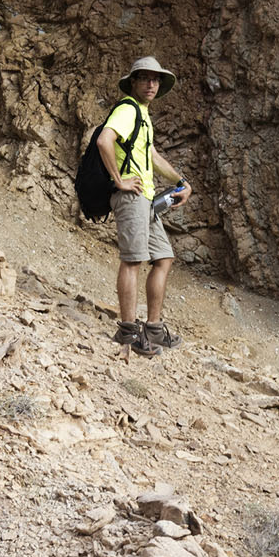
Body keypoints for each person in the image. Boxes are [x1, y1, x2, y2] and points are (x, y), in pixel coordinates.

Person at [97, 55, 192, 358]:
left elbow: (152, 156)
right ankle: (128, 332)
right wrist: (119, 181)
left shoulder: (142, 115)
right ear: (134, 82)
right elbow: (104, 141)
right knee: (133, 260)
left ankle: (153, 328)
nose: (151, 84)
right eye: (145, 78)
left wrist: (182, 181)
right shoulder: (127, 110)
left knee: (163, 258)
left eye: (156, 79)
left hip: (146, 199)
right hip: (131, 197)